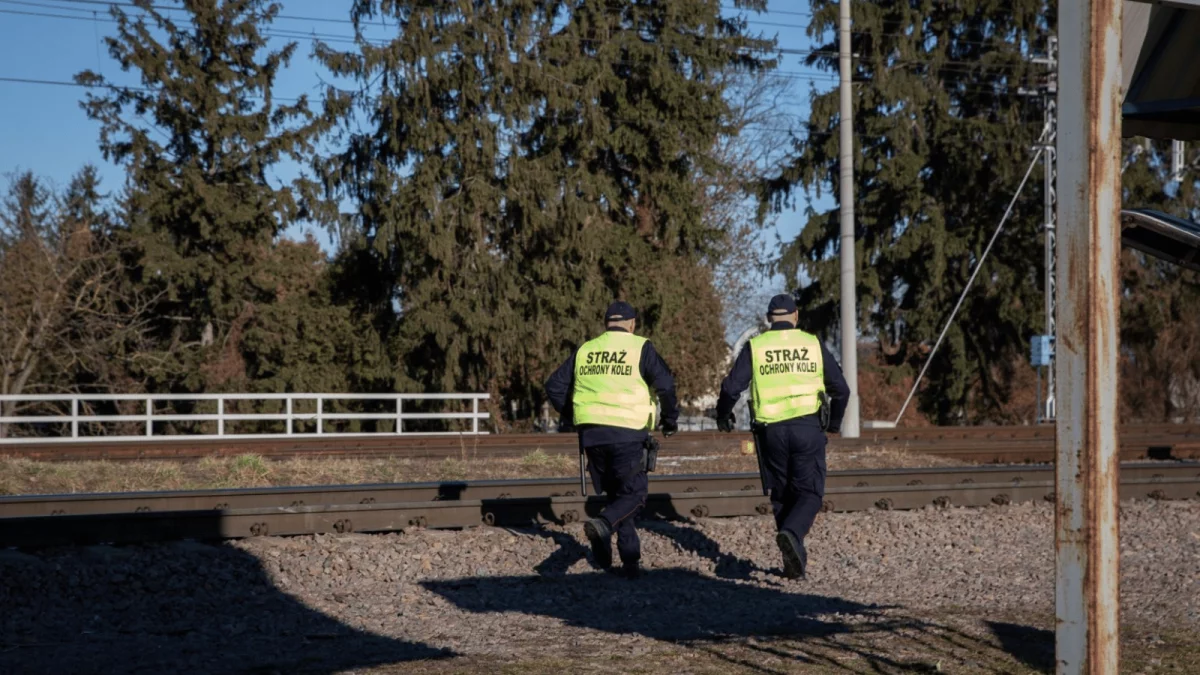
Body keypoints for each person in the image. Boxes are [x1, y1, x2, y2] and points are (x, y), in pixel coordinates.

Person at [715, 293, 850, 579]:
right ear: (796, 316)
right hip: (808, 429)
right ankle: (792, 535)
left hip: (771, 432)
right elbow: (841, 389)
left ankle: (793, 557)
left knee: (780, 494)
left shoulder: (757, 345)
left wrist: (723, 415)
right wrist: (834, 424)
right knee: (810, 492)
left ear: (768, 319)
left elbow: (730, 388)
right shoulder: (811, 344)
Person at [544, 301, 679, 579]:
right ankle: (603, 525)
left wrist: (575, 415)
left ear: (607, 323)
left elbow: (554, 386)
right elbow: (665, 385)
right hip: (628, 432)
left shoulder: (586, 350)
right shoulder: (640, 347)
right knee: (635, 495)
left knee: (618, 496)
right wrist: (670, 419)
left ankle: (627, 562)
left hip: (592, 435)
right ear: (632, 324)